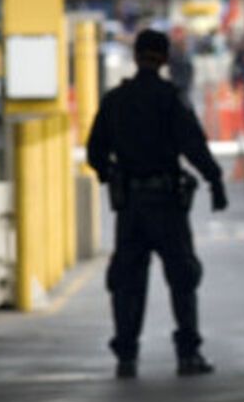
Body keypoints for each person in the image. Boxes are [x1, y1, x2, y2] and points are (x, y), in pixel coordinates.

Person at [86, 29, 229, 379]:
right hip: (167, 203)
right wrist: (214, 180)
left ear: (136, 57)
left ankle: (126, 357)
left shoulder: (116, 100)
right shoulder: (170, 98)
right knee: (182, 278)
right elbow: (193, 145)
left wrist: (113, 177)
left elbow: (95, 152)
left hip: (131, 206)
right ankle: (187, 355)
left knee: (127, 283)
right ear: (164, 59)